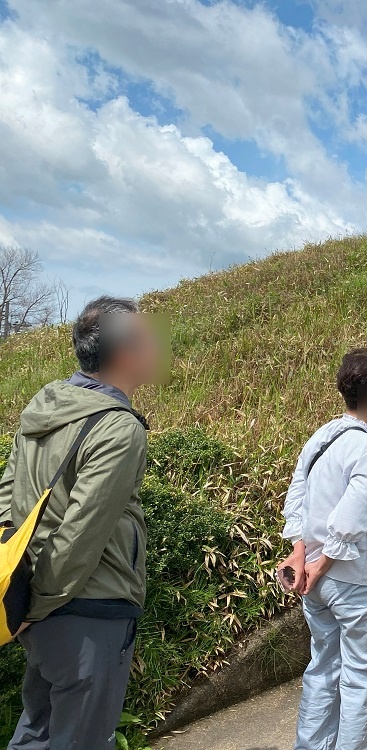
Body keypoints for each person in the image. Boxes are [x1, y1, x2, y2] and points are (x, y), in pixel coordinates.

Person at [1, 296, 167, 750]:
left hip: (37, 608)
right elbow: (81, 534)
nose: (157, 346)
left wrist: (18, 603)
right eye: (148, 337)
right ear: (126, 353)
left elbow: (6, 501)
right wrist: (34, 608)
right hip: (90, 610)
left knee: (38, 732)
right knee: (84, 740)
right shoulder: (118, 427)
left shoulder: (44, 406)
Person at [278, 348, 367, 750]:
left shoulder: (322, 434)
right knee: (364, 677)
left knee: (323, 668)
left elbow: (297, 495)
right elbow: (349, 518)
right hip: (351, 577)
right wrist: (325, 561)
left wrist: (301, 553)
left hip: (314, 577)